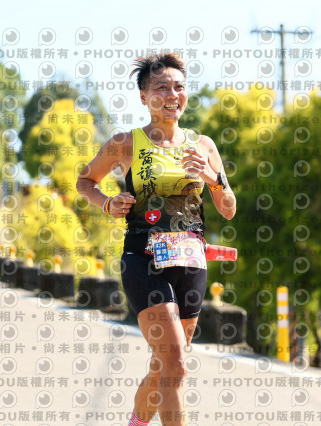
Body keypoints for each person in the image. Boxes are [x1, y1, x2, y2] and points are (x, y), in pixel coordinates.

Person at [76, 53, 236, 426]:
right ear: (144, 97)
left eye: (179, 87)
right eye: (161, 87)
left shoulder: (203, 145)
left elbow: (228, 208)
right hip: (143, 261)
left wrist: (212, 178)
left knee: (163, 366)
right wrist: (107, 203)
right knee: (175, 364)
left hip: (191, 263)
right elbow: (85, 181)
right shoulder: (125, 143)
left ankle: (137, 422)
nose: (171, 95)